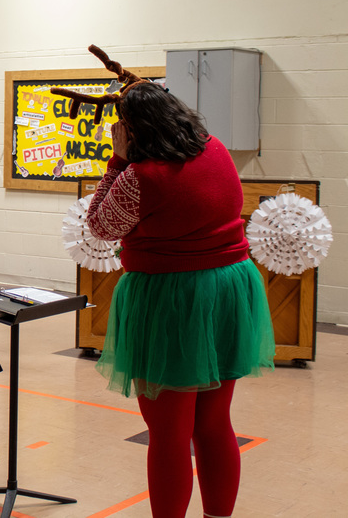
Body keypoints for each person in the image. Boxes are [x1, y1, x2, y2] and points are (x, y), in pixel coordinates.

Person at [80, 79, 275, 518]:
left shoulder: (141, 176)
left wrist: (116, 159)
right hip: (229, 287)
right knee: (214, 422)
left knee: (168, 433)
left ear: (134, 129)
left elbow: (100, 225)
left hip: (173, 296)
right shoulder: (217, 149)